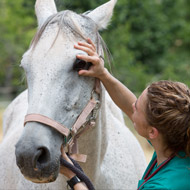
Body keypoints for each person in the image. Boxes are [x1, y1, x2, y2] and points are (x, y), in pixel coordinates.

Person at [60, 39, 190, 190]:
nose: (132, 106)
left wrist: (72, 174)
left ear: (152, 132)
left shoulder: (162, 187)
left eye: (137, 109)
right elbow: (130, 105)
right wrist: (103, 74)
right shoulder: (176, 147)